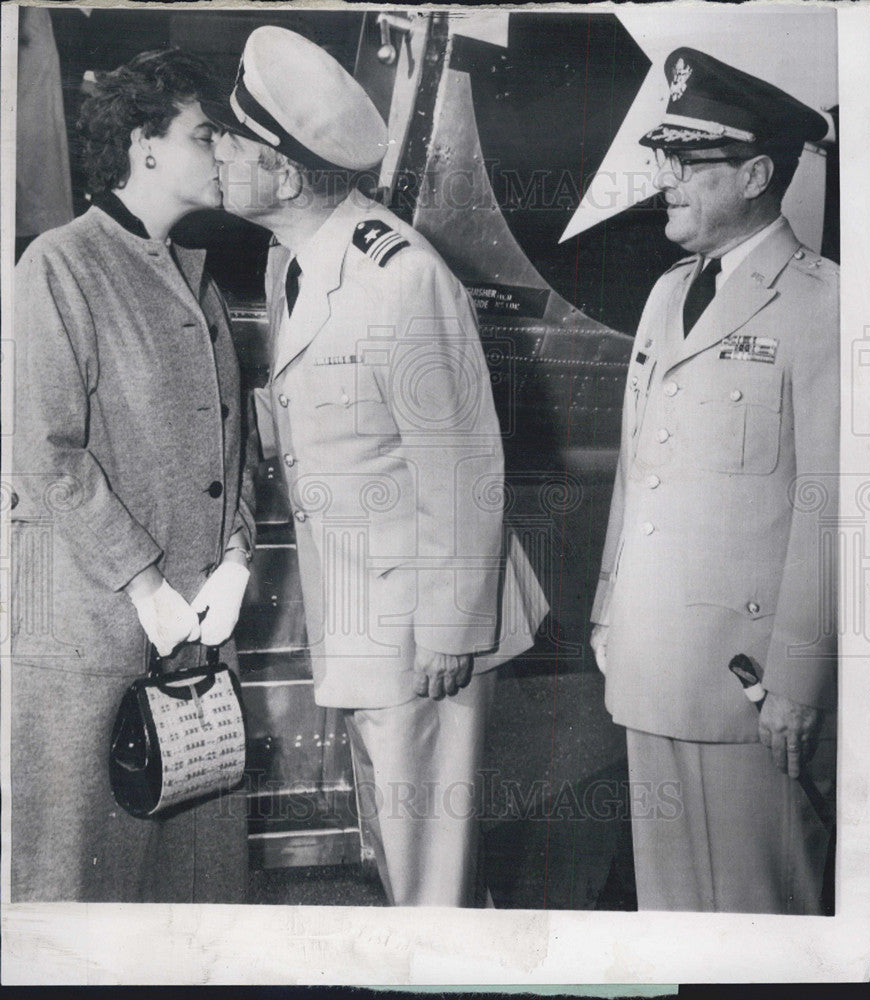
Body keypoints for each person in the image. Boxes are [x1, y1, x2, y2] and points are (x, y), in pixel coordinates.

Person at [207, 26, 547, 907]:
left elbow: (466, 461)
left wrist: (447, 628)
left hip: (419, 627)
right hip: (363, 610)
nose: (216, 154)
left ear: (284, 176)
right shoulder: (300, 256)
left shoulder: (398, 278)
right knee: (394, 848)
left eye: (231, 144)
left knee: (427, 862)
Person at [590, 48, 838, 914]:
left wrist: (800, 685)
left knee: (761, 913)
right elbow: (640, 468)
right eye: (668, 162)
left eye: (690, 165)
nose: (668, 182)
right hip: (650, 659)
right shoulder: (666, 295)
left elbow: (833, 513)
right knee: (670, 912)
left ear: (758, 174)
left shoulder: (828, 307)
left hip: (750, 689)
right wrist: (607, 609)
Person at [11, 49, 255, 902]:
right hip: (94, 634)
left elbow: (237, 439)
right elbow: (43, 450)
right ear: (143, 144)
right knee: (83, 882)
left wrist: (238, 554)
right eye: (206, 135)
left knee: (193, 892)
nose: (226, 153)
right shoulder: (59, 264)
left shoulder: (196, 274)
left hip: (191, 638)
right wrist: (143, 580)